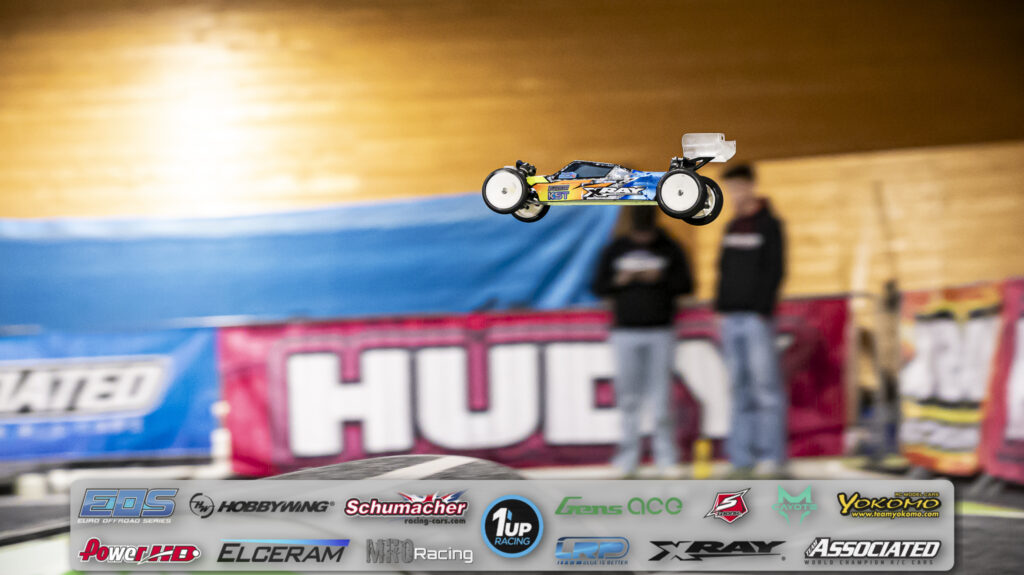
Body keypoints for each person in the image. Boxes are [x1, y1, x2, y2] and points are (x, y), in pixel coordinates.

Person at [592, 207, 694, 477]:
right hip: (625, 332)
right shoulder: (616, 249)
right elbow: (598, 286)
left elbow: (687, 284)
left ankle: (666, 458)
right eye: (639, 234)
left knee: (661, 398)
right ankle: (627, 459)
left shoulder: (670, 247)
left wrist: (660, 278)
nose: (643, 239)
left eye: (646, 234)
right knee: (628, 398)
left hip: (661, 331)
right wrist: (620, 280)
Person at [715, 163, 788, 478]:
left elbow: (776, 269)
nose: (734, 194)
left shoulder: (770, 225)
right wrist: (721, 309)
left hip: (757, 319)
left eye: (738, 187)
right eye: (730, 189)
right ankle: (741, 458)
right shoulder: (732, 227)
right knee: (739, 388)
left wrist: (761, 309)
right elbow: (723, 271)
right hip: (731, 318)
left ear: (750, 186)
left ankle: (771, 456)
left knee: (765, 388)